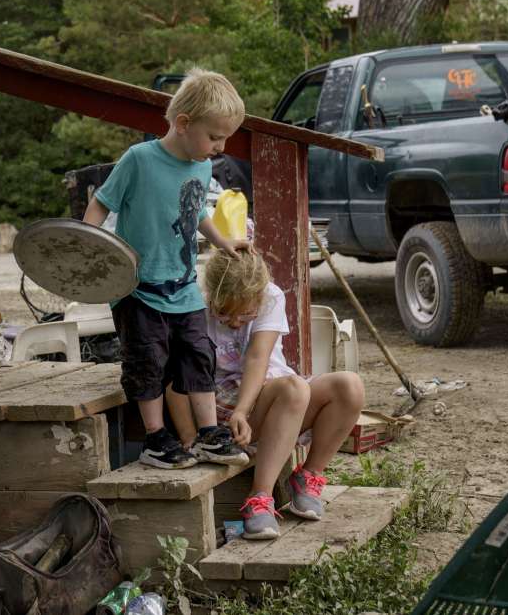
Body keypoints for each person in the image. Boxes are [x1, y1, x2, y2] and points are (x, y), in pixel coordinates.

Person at [83, 69, 252, 470]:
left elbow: (197, 212)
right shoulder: (139, 160)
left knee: (198, 354)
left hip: (184, 287)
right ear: (183, 123)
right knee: (148, 361)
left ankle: (210, 434)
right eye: (215, 137)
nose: (220, 147)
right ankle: (157, 439)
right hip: (137, 288)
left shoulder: (202, 166)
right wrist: (86, 246)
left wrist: (221, 241)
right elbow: (102, 202)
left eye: (225, 138)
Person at [166, 250, 365, 540]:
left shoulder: (270, 296)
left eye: (245, 314)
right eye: (224, 313)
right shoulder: (195, 300)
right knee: (294, 387)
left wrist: (242, 411)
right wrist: (189, 437)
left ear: (259, 298)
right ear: (211, 296)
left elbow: (258, 359)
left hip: (261, 399)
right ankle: (259, 499)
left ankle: (307, 477)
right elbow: (174, 380)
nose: (235, 322)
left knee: (350, 386)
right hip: (217, 406)